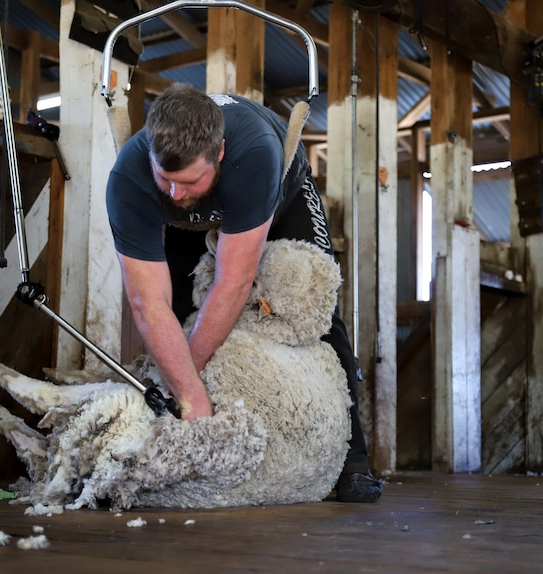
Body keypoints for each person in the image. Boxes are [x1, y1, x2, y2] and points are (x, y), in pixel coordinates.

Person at [106, 83, 383, 503]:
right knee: (182, 311)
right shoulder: (129, 179)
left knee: (315, 313)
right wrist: (182, 385)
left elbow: (233, 283)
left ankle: (353, 462)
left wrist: (188, 384)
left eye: (189, 180)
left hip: (282, 194)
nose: (176, 192)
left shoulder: (254, 153)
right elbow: (148, 302)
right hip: (191, 221)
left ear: (217, 153)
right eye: (167, 179)